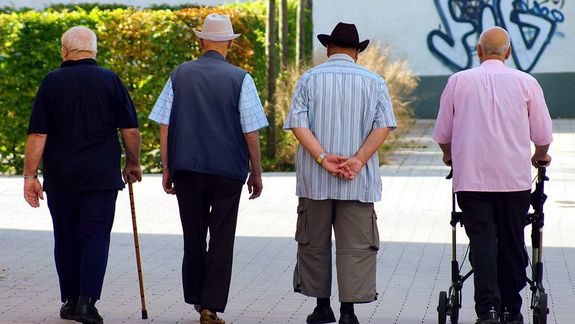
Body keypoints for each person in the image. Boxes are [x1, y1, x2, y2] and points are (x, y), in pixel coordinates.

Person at [148, 13, 268, 324]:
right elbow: (251, 131)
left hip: (186, 167)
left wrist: (167, 166)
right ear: (229, 43)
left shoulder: (179, 74)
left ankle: (196, 296)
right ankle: (210, 307)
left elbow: (164, 124)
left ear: (201, 41)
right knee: (222, 237)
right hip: (228, 170)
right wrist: (256, 171)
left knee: (193, 234)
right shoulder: (241, 78)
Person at [433, 26, 553, 324]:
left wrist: (449, 155)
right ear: (508, 52)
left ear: (479, 51)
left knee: (482, 240)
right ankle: (512, 309)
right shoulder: (527, 83)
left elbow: (442, 133)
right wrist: (539, 156)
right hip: (514, 181)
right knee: (513, 240)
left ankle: (486, 309)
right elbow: (543, 135)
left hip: (471, 180)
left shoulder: (458, 81)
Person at [23, 26, 142, 324]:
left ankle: (70, 300)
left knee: (65, 237)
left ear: (64, 50)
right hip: (101, 177)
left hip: (61, 176)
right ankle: (87, 303)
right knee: (95, 237)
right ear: (94, 50)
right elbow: (130, 129)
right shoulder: (110, 80)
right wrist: (133, 163)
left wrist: (29, 176)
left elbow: (38, 133)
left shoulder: (51, 82)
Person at [284, 22, 397, 324]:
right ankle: (348, 312)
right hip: (357, 181)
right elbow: (383, 124)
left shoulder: (309, 79)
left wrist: (322, 158)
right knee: (356, 247)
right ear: (357, 52)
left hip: (315, 179)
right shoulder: (374, 82)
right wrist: (358, 160)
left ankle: (322, 308)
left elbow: (297, 123)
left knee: (315, 244)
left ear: (328, 49)